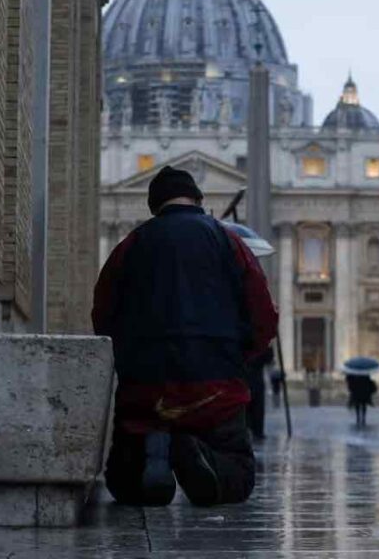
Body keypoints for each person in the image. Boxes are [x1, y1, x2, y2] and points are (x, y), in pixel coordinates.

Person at [92, 166, 278, 507]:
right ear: (198, 200)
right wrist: (240, 357)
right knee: (237, 477)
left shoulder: (131, 244)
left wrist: (128, 361)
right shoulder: (228, 241)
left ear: (154, 205)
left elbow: (103, 313)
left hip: (146, 389)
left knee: (124, 482)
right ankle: (201, 455)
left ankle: (153, 456)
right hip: (216, 386)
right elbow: (263, 312)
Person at [246, 348, 272, 440]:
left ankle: (257, 431)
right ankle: (252, 430)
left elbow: (268, 358)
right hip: (246, 380)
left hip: (255, 381)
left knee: (257, 407)